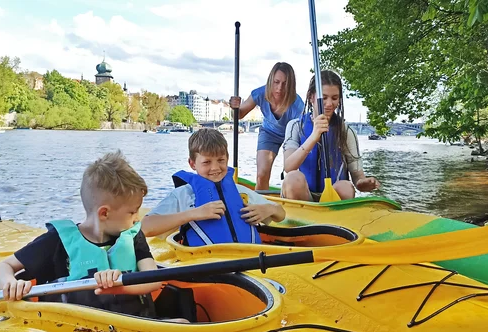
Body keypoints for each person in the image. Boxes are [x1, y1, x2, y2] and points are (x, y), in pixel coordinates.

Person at [0, 150, 174, 320]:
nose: (137, 219)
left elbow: (153, 280)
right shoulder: (57, 242)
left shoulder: (133, 237)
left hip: (139, 328)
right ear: (104, 213)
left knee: (180, 320)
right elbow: (3, 267)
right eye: (132, 212)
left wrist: (120, 286)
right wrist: (10, 283)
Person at [141, 128, 285, 246]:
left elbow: (281, 214)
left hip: (249, 262)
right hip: (207, 266)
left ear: (227, 159)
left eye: (221, 160)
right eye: (206, 162)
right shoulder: (183, 195)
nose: (215, 168)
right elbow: (145, 227)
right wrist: (193, 214)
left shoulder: (240, 192)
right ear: (192, 164)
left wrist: (269, 209)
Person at [281, 70, 380, 201]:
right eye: (324, 98)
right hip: (303, 195)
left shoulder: (345, 131)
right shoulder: (295, 126)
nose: (329, 104)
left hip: (333, 197)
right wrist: (313, 137)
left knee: (346, 187)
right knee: (293, 179)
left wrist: (362, 183)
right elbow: (289, 167)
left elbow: (357, 177)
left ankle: (333, 216)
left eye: (334, 98)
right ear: (311, 97)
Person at [229, 62, 304, 190]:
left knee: (293, 172)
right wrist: (234, 108)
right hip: (269, 133)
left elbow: (301, 132)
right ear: (270, 81)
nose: (279, 88)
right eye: (276, 82)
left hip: (291, 135)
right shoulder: (259, 94)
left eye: (284, 84)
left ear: (291, 85)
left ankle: (295, 195)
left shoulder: (297, 105)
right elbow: (239, 115)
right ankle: (261, 203)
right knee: (261, 174)